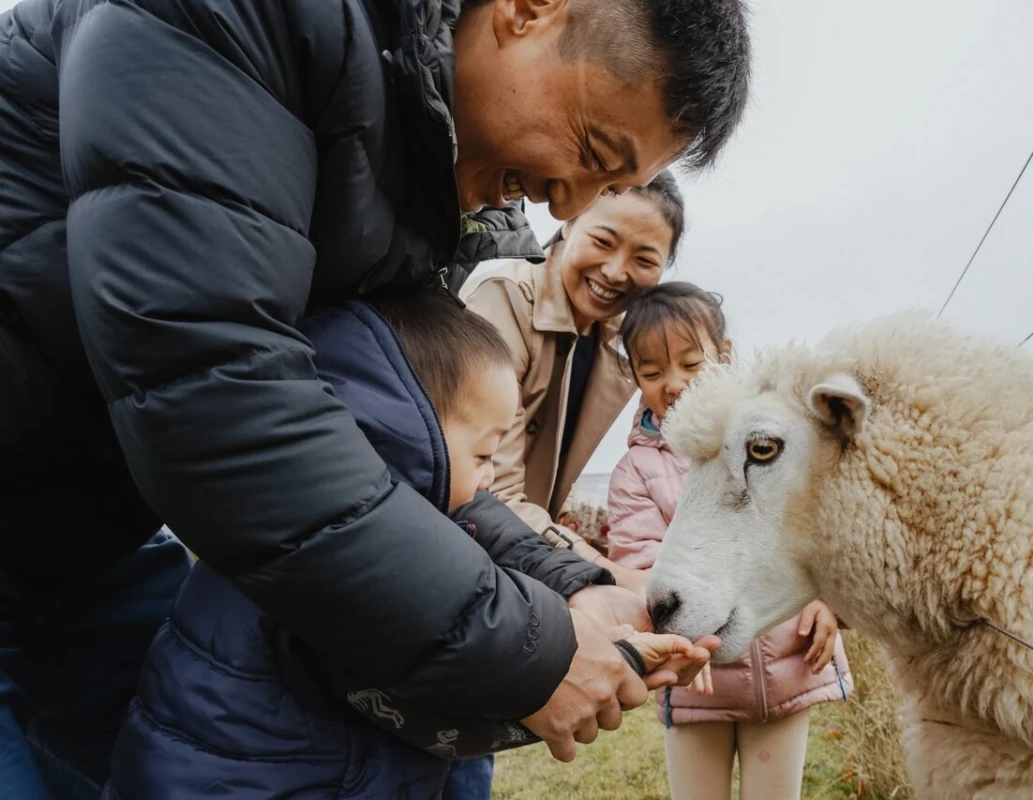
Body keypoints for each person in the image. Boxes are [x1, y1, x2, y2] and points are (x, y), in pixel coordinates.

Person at [0, 0, 752, 792]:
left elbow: (403, 451)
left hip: (80, 546)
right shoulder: (246, 21)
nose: (567, 207)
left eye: (612, 184)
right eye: (594, 150)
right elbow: (220, 399)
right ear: (529, 10)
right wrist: (529, 654)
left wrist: (579, 589)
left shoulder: (415, 176)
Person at [101, 288, 717, 798]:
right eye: (481, 453)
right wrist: (604, 667)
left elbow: (476, 588)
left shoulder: (376, 512)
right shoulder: (348, 563)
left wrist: (582, 598)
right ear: (410, 429)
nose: (482, 483)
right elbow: (432, 708)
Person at [606, 283, 855, 800]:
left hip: (790, 670)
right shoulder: (637, 471)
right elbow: (640, 562)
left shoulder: (768, 445)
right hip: (698, 682)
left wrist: (830, 602)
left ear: (725, 356)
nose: (673, 384)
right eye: (651, 373)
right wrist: (682, 644)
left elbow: (812, 527)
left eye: (691, 364)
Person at [463, 172, 685, 593]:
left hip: (519, 554)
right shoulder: (502, 300)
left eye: (644, 259)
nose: (616, 271)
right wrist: (611, 572)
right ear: (568, 223)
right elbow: (491, 491)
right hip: (472, 552)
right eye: (602, 241)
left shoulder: (618, 338)